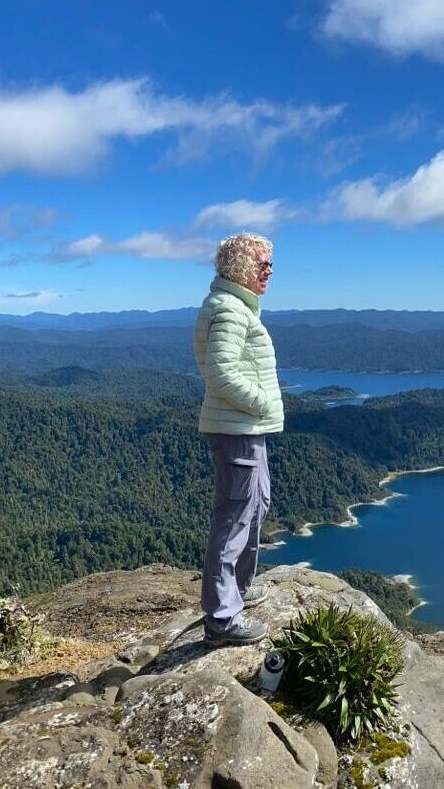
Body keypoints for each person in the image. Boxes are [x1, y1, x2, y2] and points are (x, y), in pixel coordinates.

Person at [194, 232, 282, 645]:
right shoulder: (230, 311)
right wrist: (262, 401)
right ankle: (222, 619)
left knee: (256, 504)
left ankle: (239, 590)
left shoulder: (235, 307)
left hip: (245, 426)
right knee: (233, 517)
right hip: (238, 427)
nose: (269, 270)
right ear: (241, 267)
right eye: (263, 263)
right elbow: (220, 371)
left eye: (269, 263)